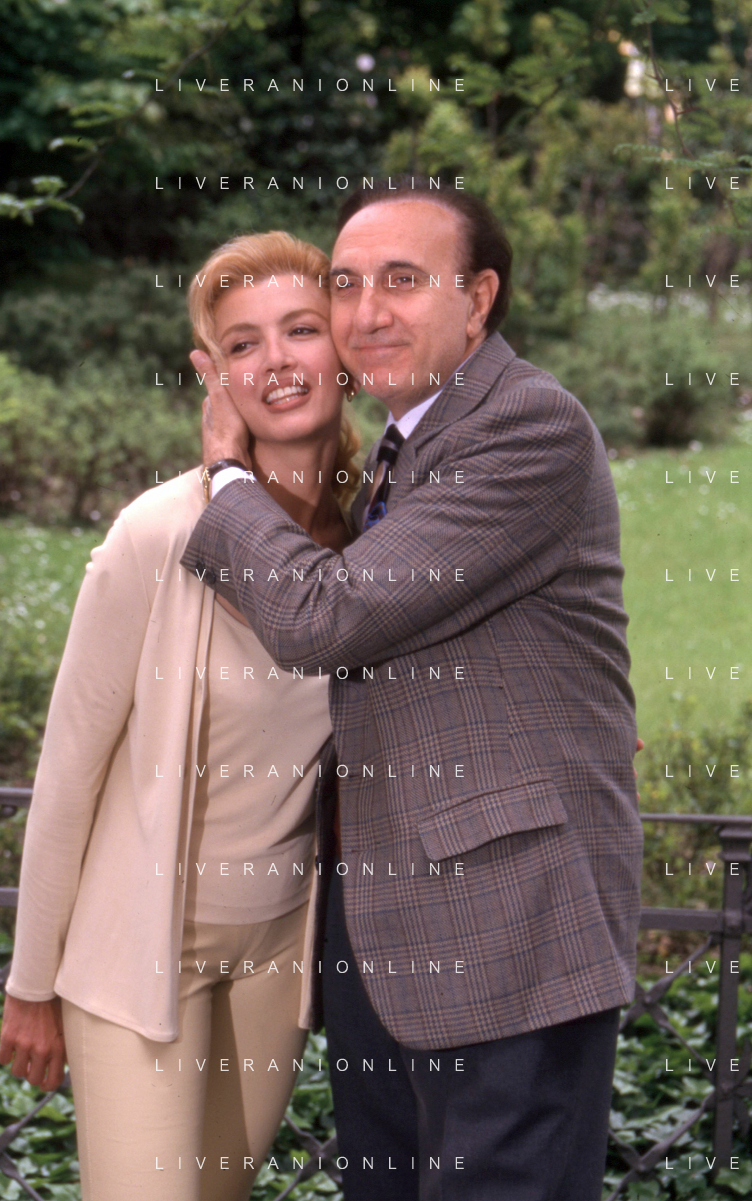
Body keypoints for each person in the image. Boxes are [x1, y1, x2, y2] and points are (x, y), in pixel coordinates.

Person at [181, 179, 645, 1201]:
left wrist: (228, 475)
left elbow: (324, 617)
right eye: (346, 285)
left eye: (402, 280)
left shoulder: (524, 426)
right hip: (387, 924)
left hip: (510, 925)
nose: (366, 312)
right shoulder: (402, 452)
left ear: (477, 299)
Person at [0, 230, 358, 1201]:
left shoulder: (377, 539)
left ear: (346, 347)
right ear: (212, 375)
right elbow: (68, 769)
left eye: (302, 330)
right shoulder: (156, 534)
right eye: (244, 344)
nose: (277, 361)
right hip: (138, 959)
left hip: (274, 960)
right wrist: (31, 982)